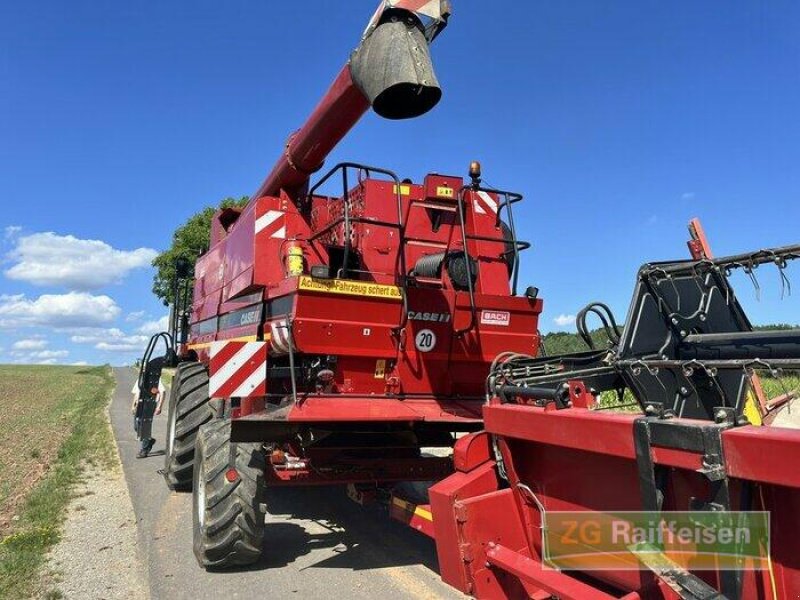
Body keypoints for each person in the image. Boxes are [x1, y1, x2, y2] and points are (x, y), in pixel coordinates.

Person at [131, 371, 165, 458]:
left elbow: (162, 392)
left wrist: (159, 407)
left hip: (149, 405)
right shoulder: (140, 379)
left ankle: (144, 450)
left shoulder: (155, 380)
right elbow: (136, 393)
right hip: (139, 405)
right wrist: (133, 405)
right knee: (136, 426)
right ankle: (149, 440)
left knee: (144, 426)